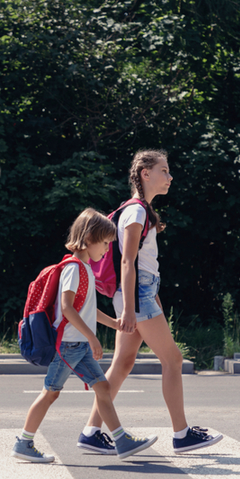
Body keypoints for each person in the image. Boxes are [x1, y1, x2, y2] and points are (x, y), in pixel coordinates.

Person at [77, 150, 222, 455]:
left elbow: (141, 263)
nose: (170, 177)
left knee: (123, 362)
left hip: (141, 293)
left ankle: (91, 432)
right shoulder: (137, 212)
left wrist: (147, 297)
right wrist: (131, 308)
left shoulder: (140, 211)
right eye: (164, 171)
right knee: (173, 360)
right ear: (145, 173)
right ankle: (182, 434)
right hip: (136, 295)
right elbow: (128, 262)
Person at [12, 208, 158, 463]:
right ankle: (24, 442)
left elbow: (86, 309)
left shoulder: (85, 269)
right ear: (88, 238)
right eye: (104, 244)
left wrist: (113, 323)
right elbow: (67, 308)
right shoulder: (73, 268)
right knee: (50, 393)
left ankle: (121, 440)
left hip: (76, 345)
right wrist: (92, 338)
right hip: (69, 345)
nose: (106, 251)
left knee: (102, 387)